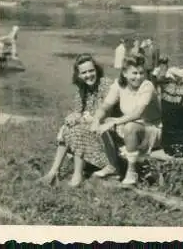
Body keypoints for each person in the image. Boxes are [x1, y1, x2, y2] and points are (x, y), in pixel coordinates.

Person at [38, 54, 115, 187]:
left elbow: (103, 113)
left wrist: (82, 119)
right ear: (78, 75)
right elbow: (78, 112)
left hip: (107, 133)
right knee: (67, 127)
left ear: (96, 70)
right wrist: (72, 118)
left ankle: (77, 176)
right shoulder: (82, 88)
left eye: (91, 71)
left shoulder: (105, 84)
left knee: (78, 130)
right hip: (91, 130)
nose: (88, 75)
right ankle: (53, 172)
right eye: (84, 72)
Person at [91, 55, 162, 187]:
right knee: (104, 122)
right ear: (124, 73)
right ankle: (113, 166)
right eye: (134, 73)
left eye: (142, 73)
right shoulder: (119, 84)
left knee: (129, 126)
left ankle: (131, 172)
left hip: (153, 129)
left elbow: (138, 113)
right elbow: (105, 106)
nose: (138, 77)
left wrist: (115, 122)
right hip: (132, 127)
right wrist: (96, 119)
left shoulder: (147, 86)